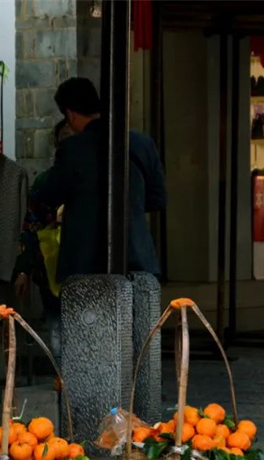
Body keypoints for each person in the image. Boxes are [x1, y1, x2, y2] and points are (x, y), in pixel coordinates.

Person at [32, 77, 168, 283]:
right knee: (137, 315)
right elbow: (158, 198)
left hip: (85, 264)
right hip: (138, 259)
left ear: (70, 114)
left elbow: (48, 192)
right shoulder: (141, 144)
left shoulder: (73, 149)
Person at [13, 119, 75, 361]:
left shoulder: (95, 177)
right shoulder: (46, 182)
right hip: (50, 267)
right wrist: (23, 270)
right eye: (65, 137)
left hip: (86, 266)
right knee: (57, 329)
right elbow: (30, 225)